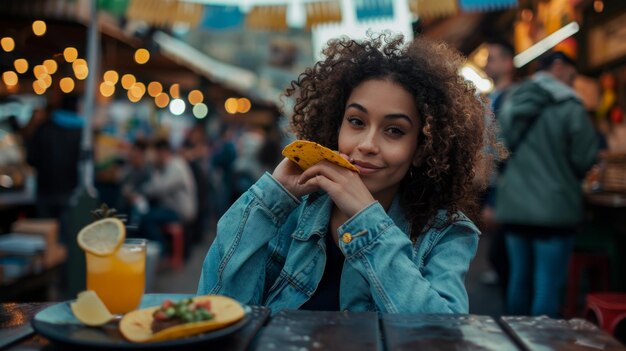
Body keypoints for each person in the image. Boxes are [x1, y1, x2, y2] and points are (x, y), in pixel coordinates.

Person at [198, 34, 500, 313]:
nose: (367, 145)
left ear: (421, 149)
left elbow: (442, 336)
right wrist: (272, 197)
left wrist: (365, 218)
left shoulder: (447, 231)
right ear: (336, 125)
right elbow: (219, 308)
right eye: (356, 122)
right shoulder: (291, 209)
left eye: (394, 130)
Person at [495, 51, 598, 317]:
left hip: (514, 207)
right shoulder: (570, 106)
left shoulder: (512, 99)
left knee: (519, 280)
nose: (573, 83)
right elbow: (585, 158)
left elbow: (497, 149)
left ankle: (514, 342)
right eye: (573, 76)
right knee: (546, 288)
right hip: (555, 210)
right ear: (560, 67)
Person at [479, 39, 517, 295]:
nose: (486, 64)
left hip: (506, 187)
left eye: (491, 58)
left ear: (507, 62)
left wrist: (493, 199)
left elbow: (503, 151)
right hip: (494, 184)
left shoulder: (513, 98)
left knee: (505, 256)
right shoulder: (492, 97)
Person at [135, 138, 197, 250]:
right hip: (171, 209)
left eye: (155, 154)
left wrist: (153, 168)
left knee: (146, 218)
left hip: (180, 213)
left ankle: (162, 252)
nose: (153, 157)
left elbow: (159, 189)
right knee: (146, 215)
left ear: (162, 152)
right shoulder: (168, 166)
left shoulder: (176, 166)